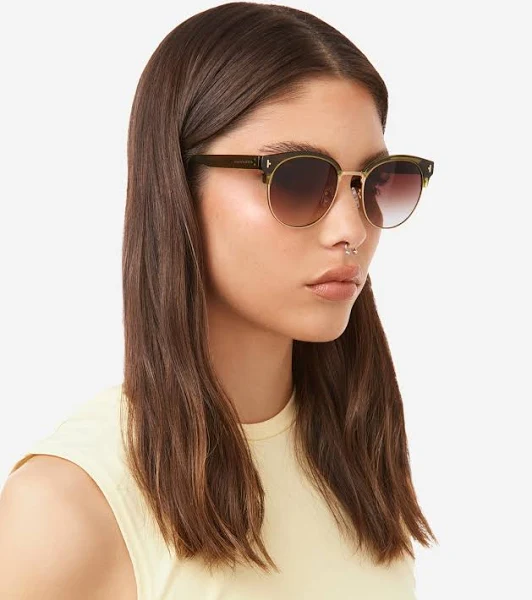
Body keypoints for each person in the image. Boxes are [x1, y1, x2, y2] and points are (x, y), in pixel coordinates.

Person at [0, 2, 438, 598]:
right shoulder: (67, 506)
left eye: (376, 183)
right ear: (178, 186)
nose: (351, 229)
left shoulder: (358, 462)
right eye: (298, 178)